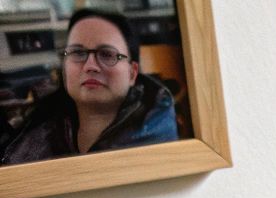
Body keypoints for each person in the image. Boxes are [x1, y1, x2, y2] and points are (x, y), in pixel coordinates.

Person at [1, 10, 178, 165]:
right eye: (78, 53)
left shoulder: (158, 146)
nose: (90, 66)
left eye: (107, 54)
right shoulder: (32, 138)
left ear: (132, 73)